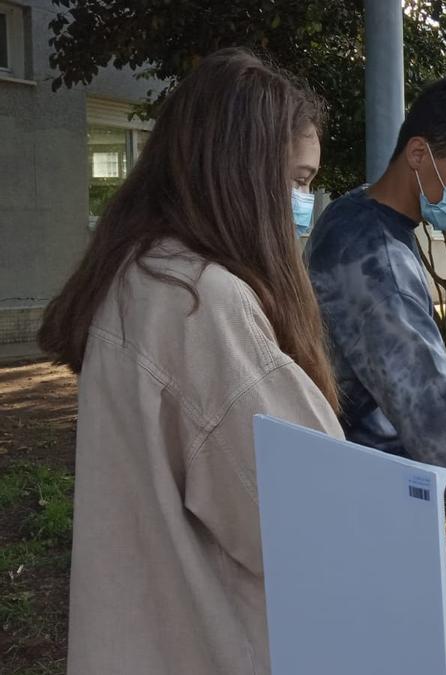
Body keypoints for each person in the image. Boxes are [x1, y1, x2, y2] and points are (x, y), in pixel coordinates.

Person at [36, 49, 342, 674]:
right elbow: (314, 515)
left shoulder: (138, 275)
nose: (304, 204)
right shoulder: (200, 301)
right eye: (299, 180)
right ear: (241, 175)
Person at [306, 76, 446, 536]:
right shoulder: (374, 257)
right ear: (417, 154)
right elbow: (433, 410)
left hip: (344, 486)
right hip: (368, 503)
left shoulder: (352, 212)